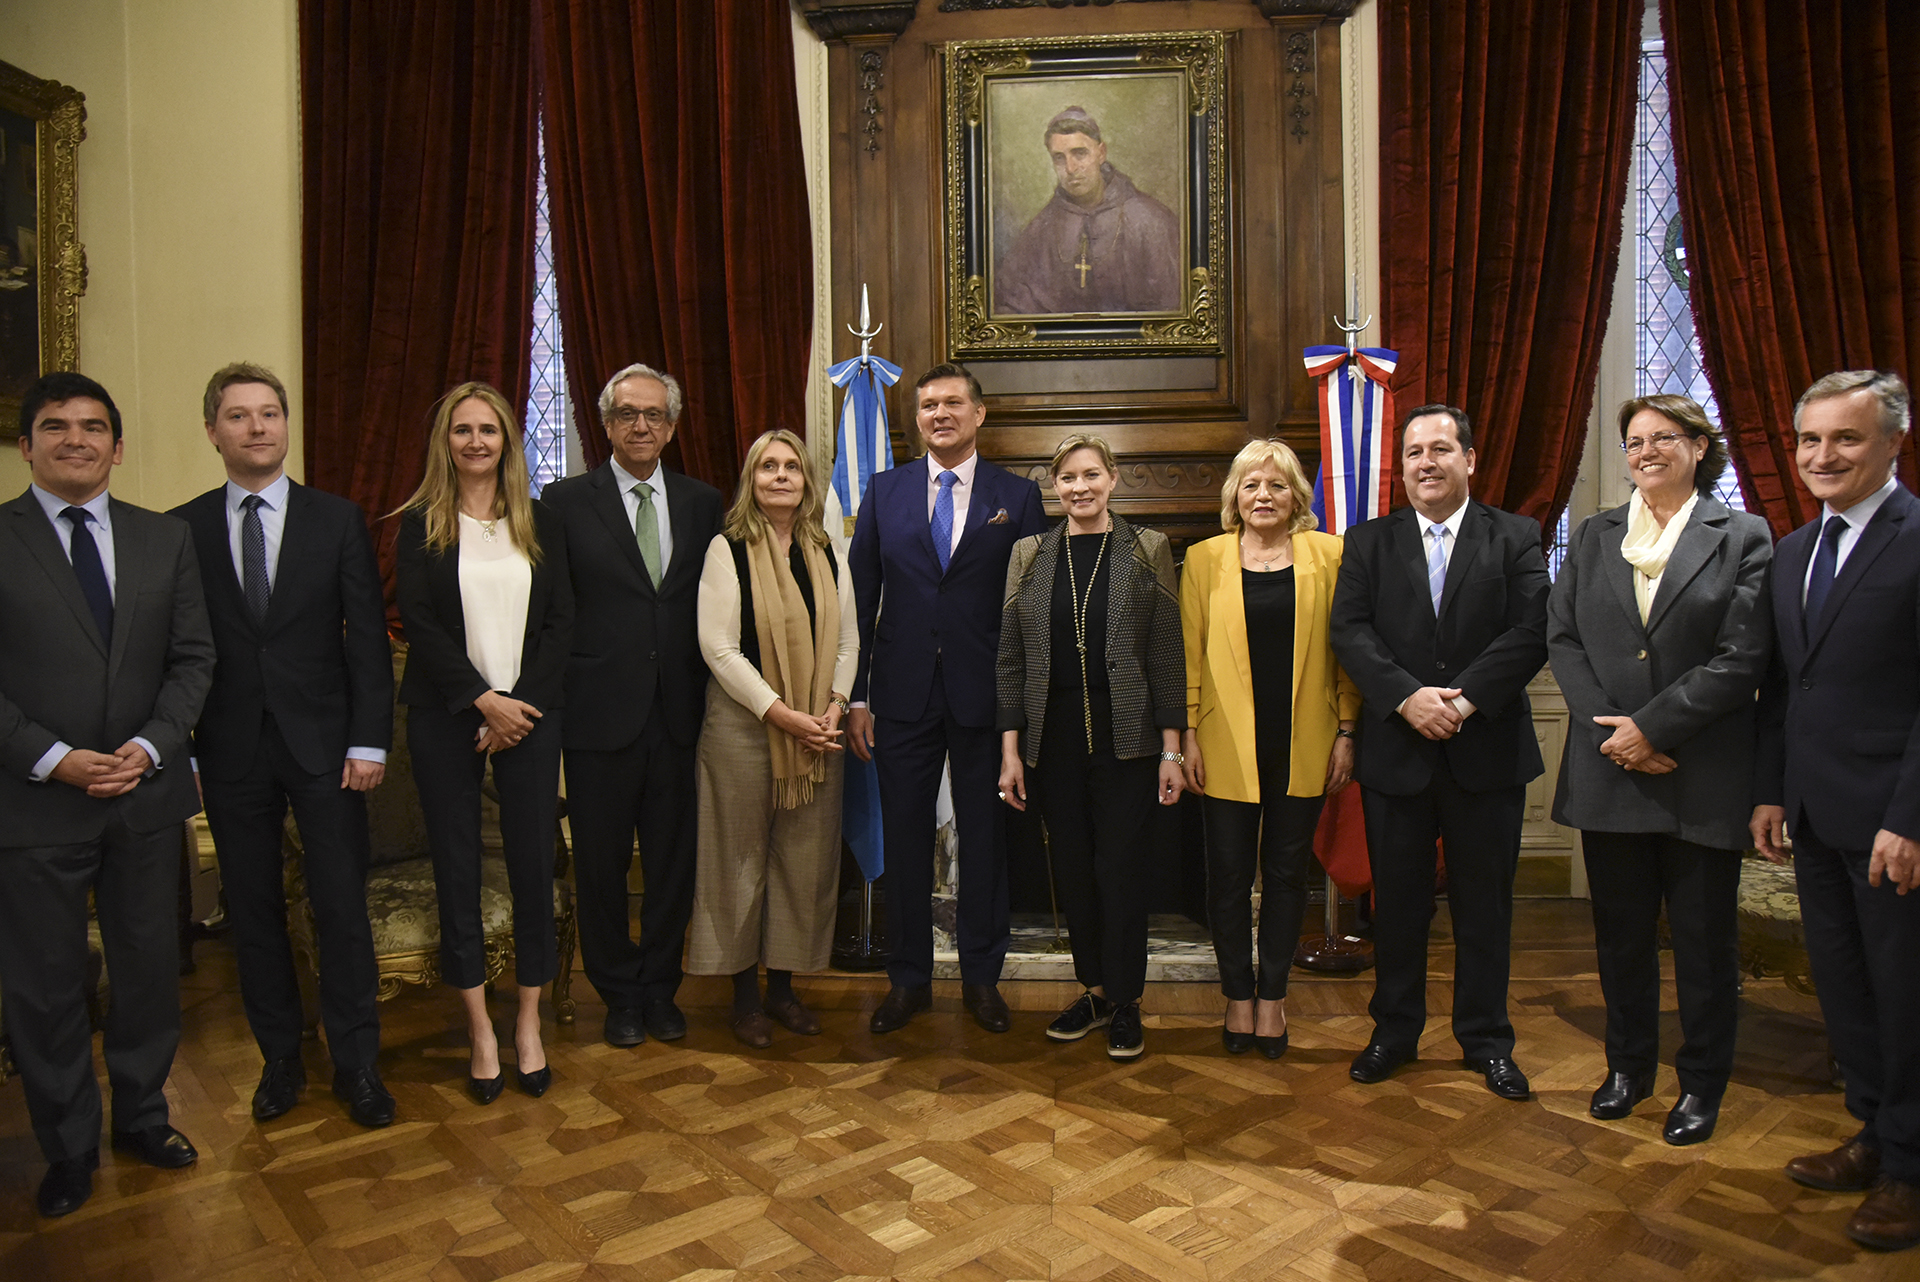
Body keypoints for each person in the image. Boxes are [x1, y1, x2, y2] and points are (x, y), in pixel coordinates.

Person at [0, 373, 215, 1217]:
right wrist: (55, 759)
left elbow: (194, 659)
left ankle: (144, 1117)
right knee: (47, 986)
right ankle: (66, 1145)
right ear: (28, 446)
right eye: (56, 427)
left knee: (148, 972)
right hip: (34, 804)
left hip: (143, 794)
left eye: (93, 428)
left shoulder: (164, 540)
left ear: (117, 448)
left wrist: (150, 746)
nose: (76, 440)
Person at [173, 362, 395, 1130]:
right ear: (213, 432)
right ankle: (279, 1062)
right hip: (228, 754)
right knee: (255, 914)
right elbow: (179, 652)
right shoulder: (183, 529)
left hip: (328, 749)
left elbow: (367, 640)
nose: (257, 427)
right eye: (239, 416)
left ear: (287, 425)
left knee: (341, 910)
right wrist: (189, 755)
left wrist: (370, 741)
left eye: (270, 413)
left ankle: (357, 1064)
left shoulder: (336, 519)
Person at [1547, 395, 1772, 1146]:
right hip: (1612, 768)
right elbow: (1564, 636)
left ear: (1701, 447)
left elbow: (1742, 658)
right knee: (1621, 936)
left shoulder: (1742, 535)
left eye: (1662, 438)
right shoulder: (1595, 534)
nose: (1645, 451)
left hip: (1699, 772)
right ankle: (1627, 1068)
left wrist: (1653, 728)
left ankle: (1701, 1085)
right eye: (1634, 440)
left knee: (1706, 944)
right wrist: (1615, 734)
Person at [1330, 403, 1550, 1100]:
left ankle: (1486, 1041)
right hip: (1398, 751)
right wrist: (1408, 698)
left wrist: (1458, 700)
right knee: (1397, 908)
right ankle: (1393, 1034)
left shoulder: (1515, 537)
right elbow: (1351, 632)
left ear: (1470, 460)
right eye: (1413, 452)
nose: (1425, 462)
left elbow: (1531, 630)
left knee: (1484, 908)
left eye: (1440, 449)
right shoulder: (1368, 542)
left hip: (1486, 751)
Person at [1752, 370, 1920, 1252]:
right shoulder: (1793, 551)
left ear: (1893, 442)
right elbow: (1786, 687)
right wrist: (1774, 790)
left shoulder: (1918, 538)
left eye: (1845, 439)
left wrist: (1912, 817)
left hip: (1894, 824)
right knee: (1848, 995)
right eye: (1810, 439)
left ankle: (1910, 1169)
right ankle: (1872, 1132)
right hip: (1814, 817)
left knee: (1906, 999)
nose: (1823, 456)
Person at [847, 362, 1046, 1033]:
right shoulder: (884, 491)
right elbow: (861, 602)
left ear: (979, 413)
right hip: (900, 697)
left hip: (986, 698)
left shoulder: (1016, 499)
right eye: (927, 405)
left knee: (985, 841)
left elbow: (1029, 613)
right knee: (905, 842)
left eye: (952, 403)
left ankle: (982, 979)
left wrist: (1021, 709)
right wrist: (856, 699)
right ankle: (908, 980)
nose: (938, 414)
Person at [393, 383, 573, 1102]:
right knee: (457, 871)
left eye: (488, 430)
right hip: (446, 716)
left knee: (533, 869)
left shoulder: (541, 521)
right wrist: (480, 700)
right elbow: (418, 624)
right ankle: (479, 1028)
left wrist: (515, 706)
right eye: (462, 430)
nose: (475, 441)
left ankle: (527, 1021)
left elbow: (563, 621)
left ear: (507, 440)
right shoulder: (420, 523)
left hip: (528, 718)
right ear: (446, 440)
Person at [542, 364, 724, 1048]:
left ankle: (659, 989)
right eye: (627, 415)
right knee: (601, 864)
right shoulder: (561, 504)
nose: (641, 425)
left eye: (653, 415)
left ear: (672, 426)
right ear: (606, 424)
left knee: (675, 863)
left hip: (680, 714)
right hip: (597, 718)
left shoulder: (704, 503)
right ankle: (616, 993)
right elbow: (554, 613)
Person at [996, 434, 1185, 1060]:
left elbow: (1164, 650)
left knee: (1120, 871)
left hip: (1126, 740)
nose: (1080, 488)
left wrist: (1171, 749)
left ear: (1112, 479)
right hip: (1052, 743)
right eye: (1067, 478)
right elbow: (1012, 658)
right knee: (1074, 871)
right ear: (1055, 485)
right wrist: (1010, 750)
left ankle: (1128, 999)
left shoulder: (1146, 547)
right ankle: (1096, 990)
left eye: (1091, 475)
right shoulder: (1030, 553)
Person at [1180, 439, 1359, 1060]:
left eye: (1277, 486)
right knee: (1227, 878)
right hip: (1223, 742)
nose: (1264, 497)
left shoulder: (1330, 555)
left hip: (1305, 742)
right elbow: (1189, 655)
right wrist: (1186, 738)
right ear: (1234, 495)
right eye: (1252, 485)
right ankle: (1236, 996)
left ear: (1296, 497)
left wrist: (1346, 730)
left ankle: (1274, 999)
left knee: (1287, 877)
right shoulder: (1204, 560)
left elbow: (1346, 652)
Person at [690, 430, 856, 1047]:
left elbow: (848, 640)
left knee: (805, 863)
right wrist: (779, 712)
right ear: (751, 481)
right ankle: (742, 999)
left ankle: (783, 990)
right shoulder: (727, 548)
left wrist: (834, 706)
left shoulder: (827, 550)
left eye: (792, 466)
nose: (781, 476)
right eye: (768, 466)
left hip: (818, 730)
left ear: (808, 482)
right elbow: (718, 646)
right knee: (738, 863)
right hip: (744, 726)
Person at [994, 107, 1184, 316]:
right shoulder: (1041, 228)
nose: (1071, 168)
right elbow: (1011, 307)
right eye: (1059, 157)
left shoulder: (1151, 220)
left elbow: (1172, 311)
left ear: (1101, 153)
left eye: (1080, 153)